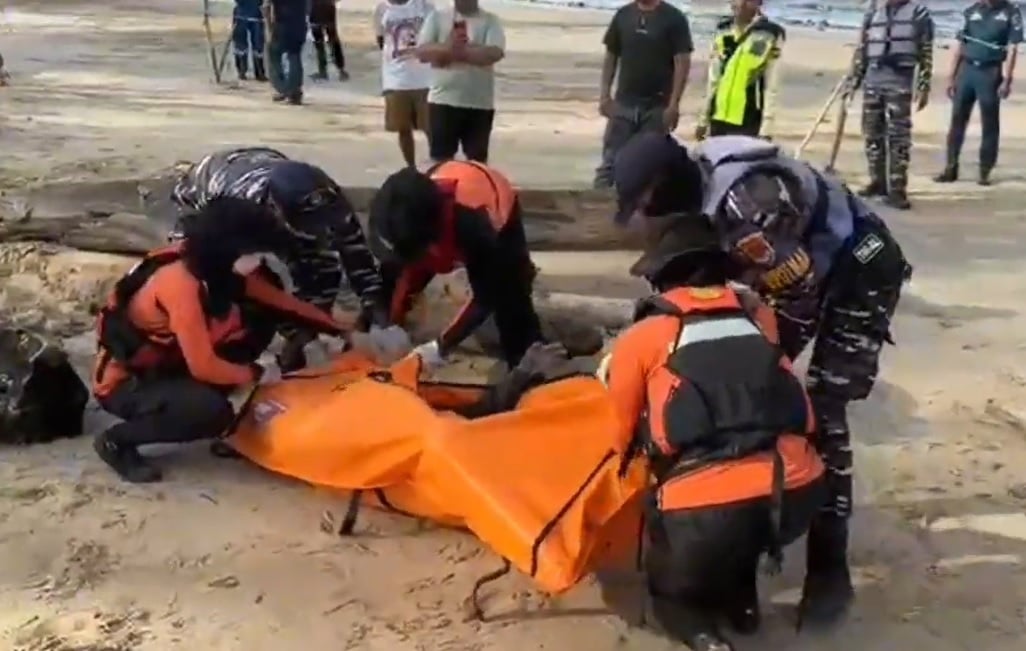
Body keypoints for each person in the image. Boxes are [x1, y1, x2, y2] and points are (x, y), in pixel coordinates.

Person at [612, 132, 911, 627]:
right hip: (795, 275)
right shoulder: (699, 194)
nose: (644, 221)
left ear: (663, 189)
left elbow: (795, 299)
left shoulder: (748, 207)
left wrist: (748, 364)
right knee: (743, 388)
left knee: (819, 409)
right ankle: (742, 557)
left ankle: (829, 571)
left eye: (643, 207)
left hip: (857, 271)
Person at [598, 217, 826, 651]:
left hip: (708, 509)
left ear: (663, 278)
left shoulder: (644, 336)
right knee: (741, 526)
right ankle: (743, 605)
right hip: (797, 491)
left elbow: (619, 437)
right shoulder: (760, 316)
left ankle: (701, 633)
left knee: (671, 583)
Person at [92, 198, 354, 484]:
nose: (259, 261)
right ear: (229, 249)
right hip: (127, 384)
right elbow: (203, 367)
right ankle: (117, 441)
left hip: (171, 363)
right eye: (255, 252)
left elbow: (282, 303)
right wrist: (259, 373)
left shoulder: (211, 266)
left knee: (259, 316)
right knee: (209, 411)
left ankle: (225, 415)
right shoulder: (179, 286)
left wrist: (340, 329)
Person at [171, 147, 410, 372]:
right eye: (309, 226)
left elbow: (356, 255)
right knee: (215, 288)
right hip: (210, 196)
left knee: (323, 270)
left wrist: (379, 316)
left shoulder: (329, 198)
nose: (319, 232)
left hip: (269, 171)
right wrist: (295, 330)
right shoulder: (240, 207)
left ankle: (307, 334)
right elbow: (255, 287)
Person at [368, 162, 543, 370]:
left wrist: (441, 345)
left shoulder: (476, 225)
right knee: (399, 278)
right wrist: (381, 322)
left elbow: (486, 296)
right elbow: (388, 275)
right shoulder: (392, 218)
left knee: (511, 300)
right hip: (425, 226)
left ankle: (529, 364)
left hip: (496, 212)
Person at [595, 0, 693, 189]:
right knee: (609, 166)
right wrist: (605, 95)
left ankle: (641, 214)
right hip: (623, 105)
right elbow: (611, 56)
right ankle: (600, 209)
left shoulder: (674, 18)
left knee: (649, 169)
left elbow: (682, 62)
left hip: (656, 109)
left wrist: (674, 104)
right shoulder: (623, 15)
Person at [849, 0, 933, 209]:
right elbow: (863, 49)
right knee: (872, 133)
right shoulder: (873, 13)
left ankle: (897, 190)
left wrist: (923, 87)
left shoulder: (919, 14)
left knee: (898, 137)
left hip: (899, 83)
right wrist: (854, 80)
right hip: (872, 80)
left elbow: (926, 51)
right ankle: (877, 182)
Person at [935, 0, 1022, 186]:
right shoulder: (972, 10)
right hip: (967, 70)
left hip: (990, 72)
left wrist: (1007, 79)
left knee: (989, 122)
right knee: (957, 119)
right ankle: (950, 168)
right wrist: (951, 76)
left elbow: (1013, 48)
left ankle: (985, 171)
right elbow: (959, 44)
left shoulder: (1011, 12)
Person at [415, 0, 505, 164]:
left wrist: (451, 54)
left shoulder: (490, 20)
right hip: (443, 100)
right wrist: (452, 48)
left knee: (477, 161)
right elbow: (422, 52)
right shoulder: (437, 17)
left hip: (479, 103)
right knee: (440, 159)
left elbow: (494, 53)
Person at [695, 0, 785, 141]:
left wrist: (766, 129)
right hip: (718, 116)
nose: (742, 4)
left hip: (749, 118)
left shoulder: (769, 34)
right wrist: (703, 120)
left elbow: (771, 85)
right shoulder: (723, 31)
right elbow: (713, 80)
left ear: (759, 3)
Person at [374, 0, 435, 167]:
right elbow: (381, 40)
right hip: (396, 80)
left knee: (431, 127)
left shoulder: (425, 7)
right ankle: (411, 167)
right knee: (403, 128)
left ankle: (438, 164)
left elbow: (436, 37)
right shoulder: (382, 9)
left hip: (425, 79)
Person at [264, 0, 307, 104]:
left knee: (273, 53)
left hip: (282, 24)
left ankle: (285, 89)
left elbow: (266, 6)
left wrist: (269, 28)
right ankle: (294, 92)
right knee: (294, 56)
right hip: (299, 23)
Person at [310, 0, 350, 82]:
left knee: (319, 42)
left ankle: (323, 71)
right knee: (332, 40)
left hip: (315, 11)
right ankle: (340, 69)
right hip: (327, 10)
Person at [233, 0, 268, 82]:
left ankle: (259, 72)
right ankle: (241, 70)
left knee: (258, 44)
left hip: (256, 14)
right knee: (240, 44)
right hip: (241, 13)